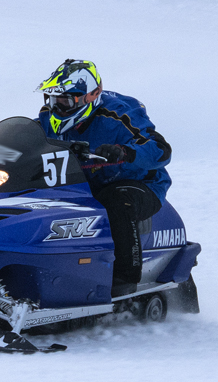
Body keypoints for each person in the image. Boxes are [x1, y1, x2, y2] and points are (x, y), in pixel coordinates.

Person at [36, 59, 172, 297]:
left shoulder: (119, 115)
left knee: (116, 201)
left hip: (139, 184)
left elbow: (161, 150)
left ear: (93, 94)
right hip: (83, 184)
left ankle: (123, 282)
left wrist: (125, 152)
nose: (58, 107)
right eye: (54, 100)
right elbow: (31, 138)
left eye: (66, 101)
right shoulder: (49, 116)